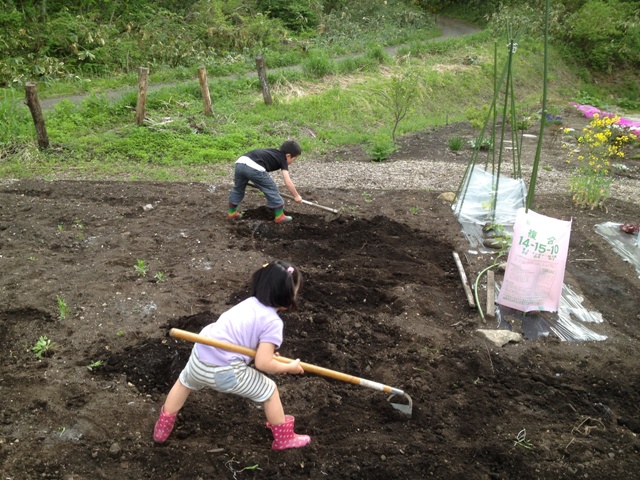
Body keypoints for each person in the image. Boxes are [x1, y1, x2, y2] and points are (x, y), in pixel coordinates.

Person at [153, 260, 311, 451]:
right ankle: (283, 438)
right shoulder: (273, 322)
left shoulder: (249, 303)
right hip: (224, 371)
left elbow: (248, 343)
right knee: (270, 391)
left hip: (200, 357)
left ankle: (161, 430)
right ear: (286, 296)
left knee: (183, 383)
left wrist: (267, 354)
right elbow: (262, 363)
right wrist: (289, 367)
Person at [227, 140, 303, 224]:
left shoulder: (273, 152)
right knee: (271, 188)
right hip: (254, 167)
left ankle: (232, 213)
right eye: (294, 159)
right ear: (288, 156)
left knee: (238, 188)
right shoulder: (283, 159)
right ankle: (280, 216)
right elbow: (287, 182)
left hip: (240, 163)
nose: (293, 162)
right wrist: (296, 196)